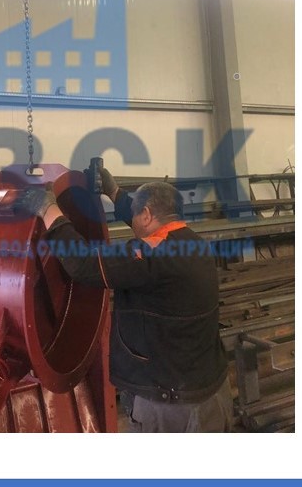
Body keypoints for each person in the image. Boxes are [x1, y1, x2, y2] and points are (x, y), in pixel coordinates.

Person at [20, 166, 233, 433]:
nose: (132, 217)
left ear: (147, 214)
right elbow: (148, 229)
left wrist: (48, 210)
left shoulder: (152, 254)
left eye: (135, 212)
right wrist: (114, 193)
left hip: (171, 406)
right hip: (210, 390)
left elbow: (84, 265)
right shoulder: (192, 243)